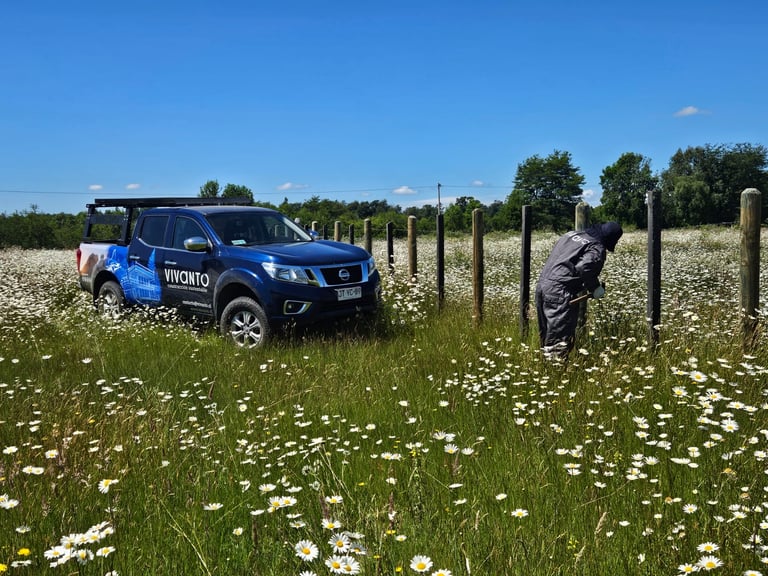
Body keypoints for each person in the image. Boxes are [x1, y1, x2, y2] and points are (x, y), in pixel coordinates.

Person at [535, 221, 623, 359]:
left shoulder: (572, 234)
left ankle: (545, 370)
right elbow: (585, 266)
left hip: (542, 285)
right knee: (558, 343)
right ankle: (555, 374)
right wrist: (595, 288)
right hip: (560, 292)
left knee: (545, 335)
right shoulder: (596, 247)